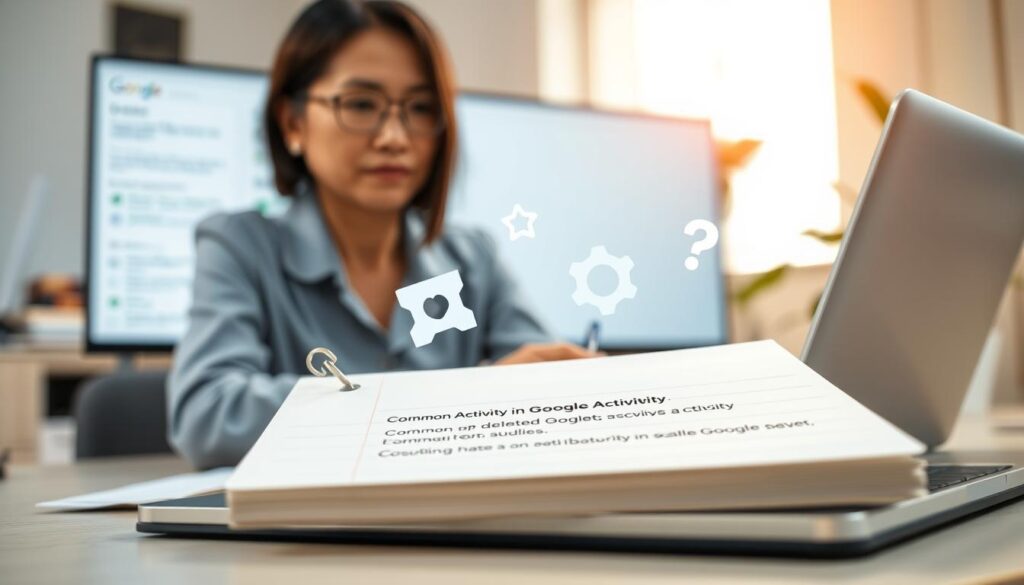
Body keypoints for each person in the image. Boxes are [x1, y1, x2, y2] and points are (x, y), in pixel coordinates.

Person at [168, 0, 596, 469]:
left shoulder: (473, 258)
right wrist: (456, 400)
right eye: (361, 104)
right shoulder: (239, 246)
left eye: (420, 108)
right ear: (293, 123)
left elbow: (553, 395)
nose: (394, 136)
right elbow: (207, 417)